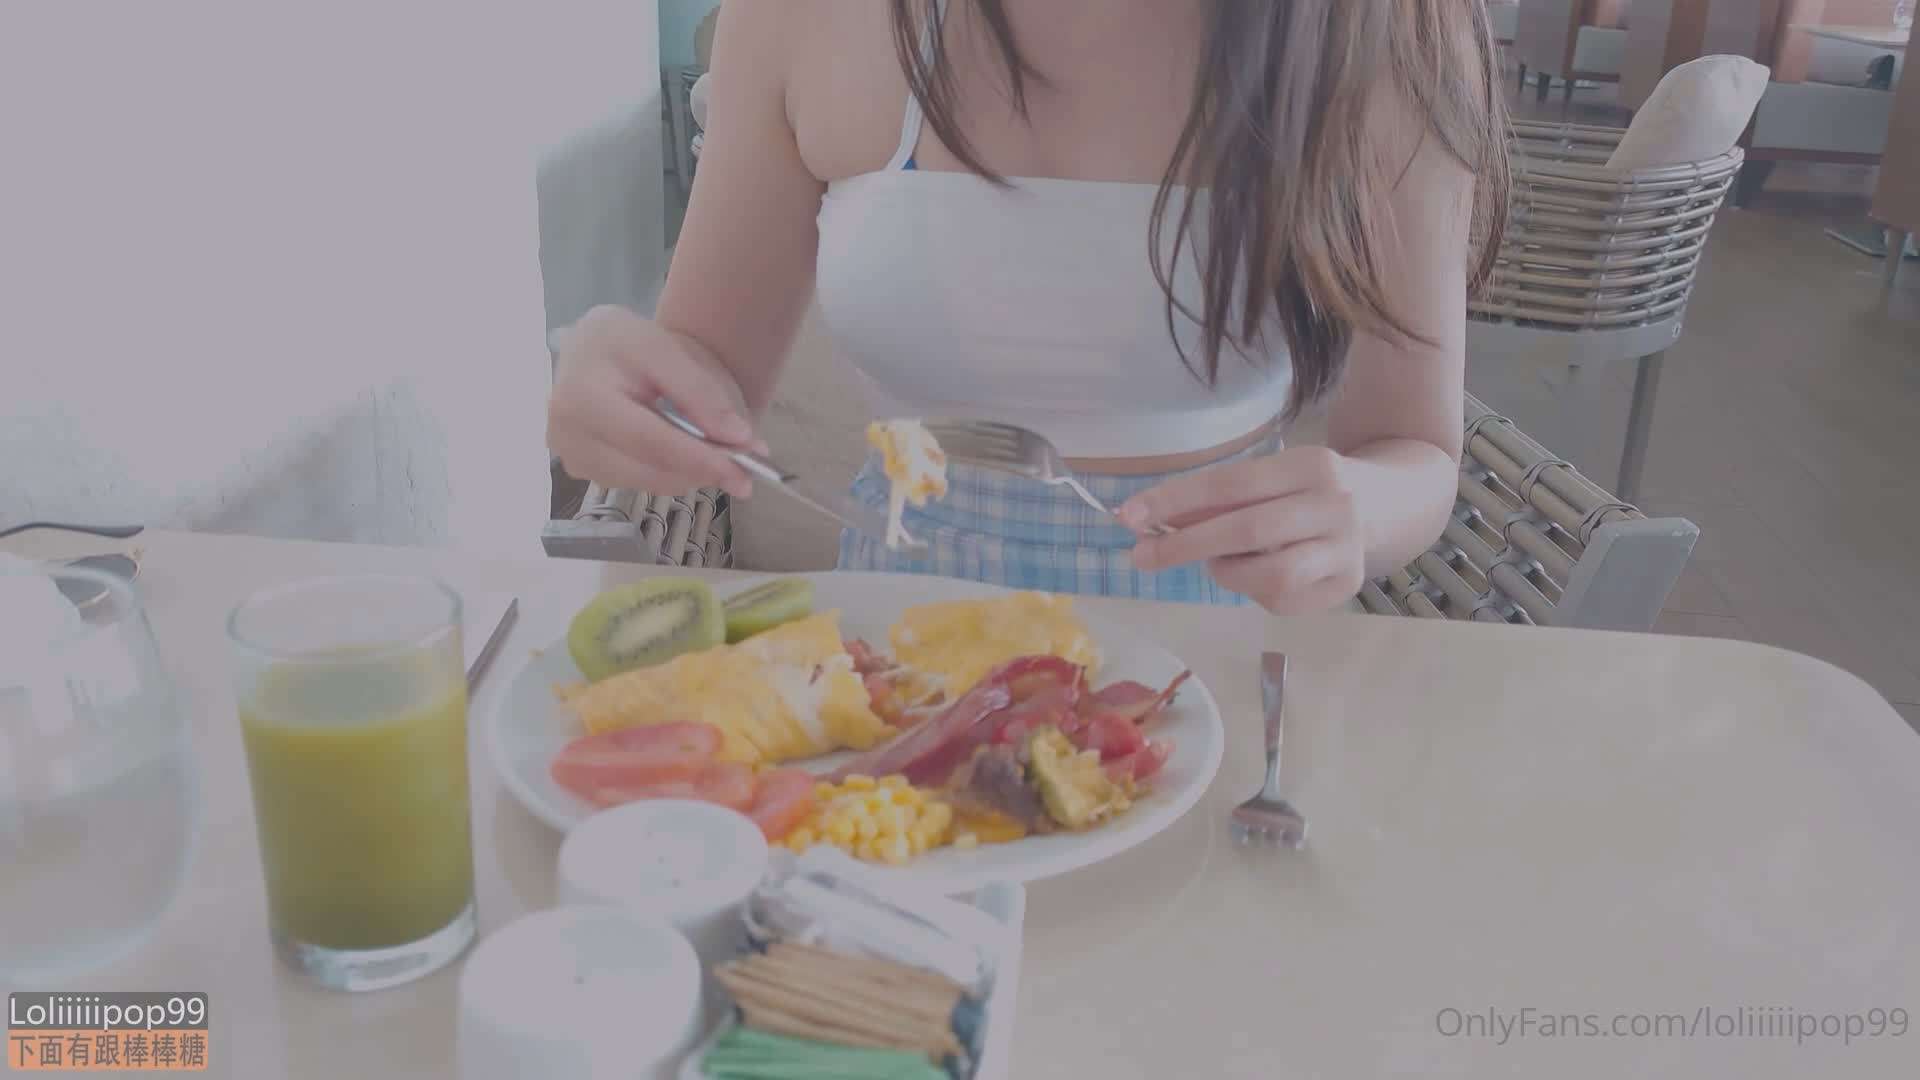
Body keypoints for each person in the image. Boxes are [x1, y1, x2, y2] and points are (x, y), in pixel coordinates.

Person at [547, 0, 1510, 614]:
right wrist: (616, 379)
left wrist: (1360, 511)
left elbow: (1416, 450)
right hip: (895, 655)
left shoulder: (1393, 27)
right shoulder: (800, 17)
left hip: (1216, 663)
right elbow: (701, 381)